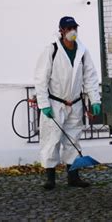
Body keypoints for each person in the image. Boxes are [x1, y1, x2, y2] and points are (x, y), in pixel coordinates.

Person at [34, 16, 101, 190]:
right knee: (52, 139)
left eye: (75, 28)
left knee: (73, 139)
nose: (73, 31)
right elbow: (41, 79)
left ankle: (73, 176)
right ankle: (50, 178)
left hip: (76, 103)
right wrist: (44, 104)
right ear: (61, 30)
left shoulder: (82, 51)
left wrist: (95, 99)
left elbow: (90, 77)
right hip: (55, 103)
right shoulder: (52, 50)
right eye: (69, 28)